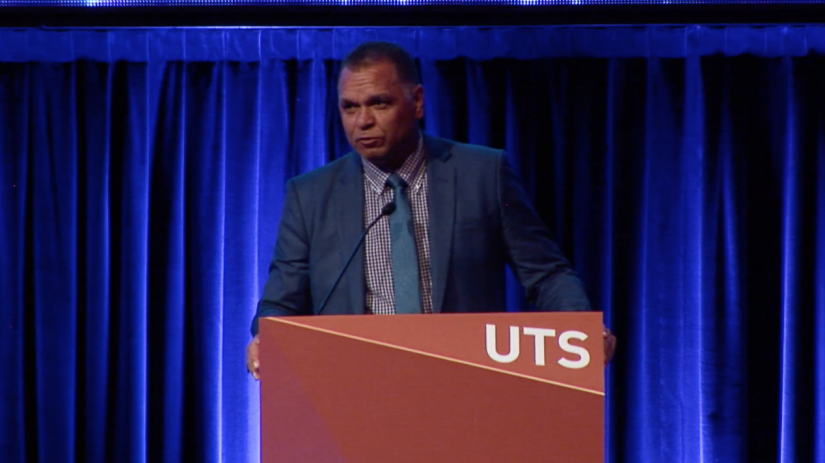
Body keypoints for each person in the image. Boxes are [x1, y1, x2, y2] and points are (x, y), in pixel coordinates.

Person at [246, 41, 616, 379]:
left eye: (379, 103)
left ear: (418, 102)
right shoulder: (310, 195)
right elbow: (282, 301)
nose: (362, 121)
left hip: (466, 383)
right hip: (355, 388)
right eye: (350, 107)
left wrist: (581, 328)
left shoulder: (482, 174)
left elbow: (546, 274)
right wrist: (266, 337)